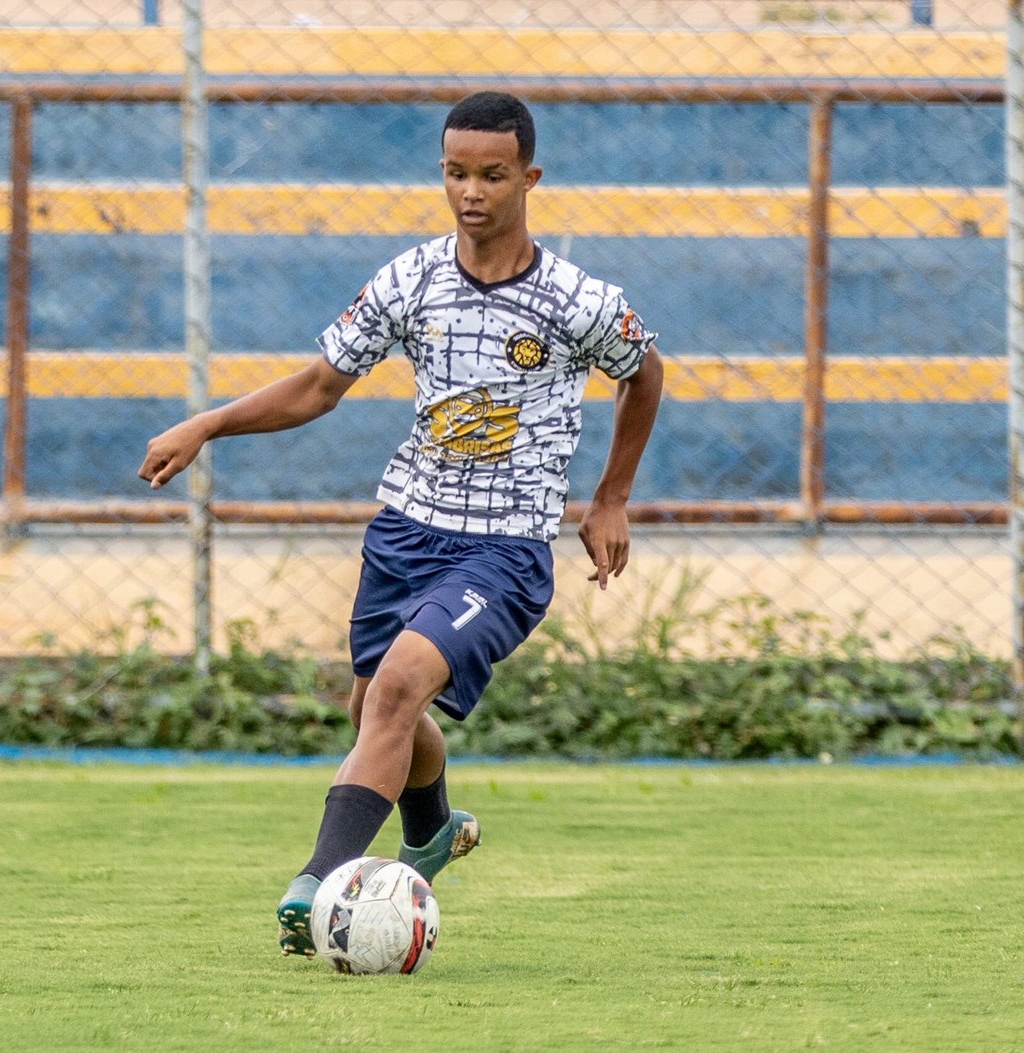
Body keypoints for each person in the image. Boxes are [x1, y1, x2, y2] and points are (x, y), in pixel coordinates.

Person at [137, 91, 664, 958]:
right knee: (371, 706)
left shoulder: (577, 301)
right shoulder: (410, 279)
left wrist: (611, 496)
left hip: (504, 550)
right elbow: (318, 386)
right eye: (456, 172)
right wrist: (207, 423)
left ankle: (317, 889)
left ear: (529, 178)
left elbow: (642, 373)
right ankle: (430, 828)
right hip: (406, 531)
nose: (472, 192)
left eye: (493, 175)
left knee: (393, 691)